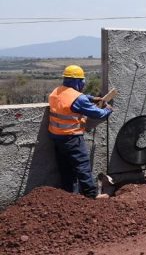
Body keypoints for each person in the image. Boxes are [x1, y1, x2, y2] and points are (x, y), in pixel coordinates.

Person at [48, 65, 113, 199]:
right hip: (72, 138)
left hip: (56, 137)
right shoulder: (78, 99)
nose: (83, 83)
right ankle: (91, 195)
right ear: (77, 81)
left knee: (65, 169)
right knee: (82, 166)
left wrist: (91, 98)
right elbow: (98, 114)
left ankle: (69, 196)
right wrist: (108, 109)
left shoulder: (56, 92)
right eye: (82, 80)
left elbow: (73, 97)